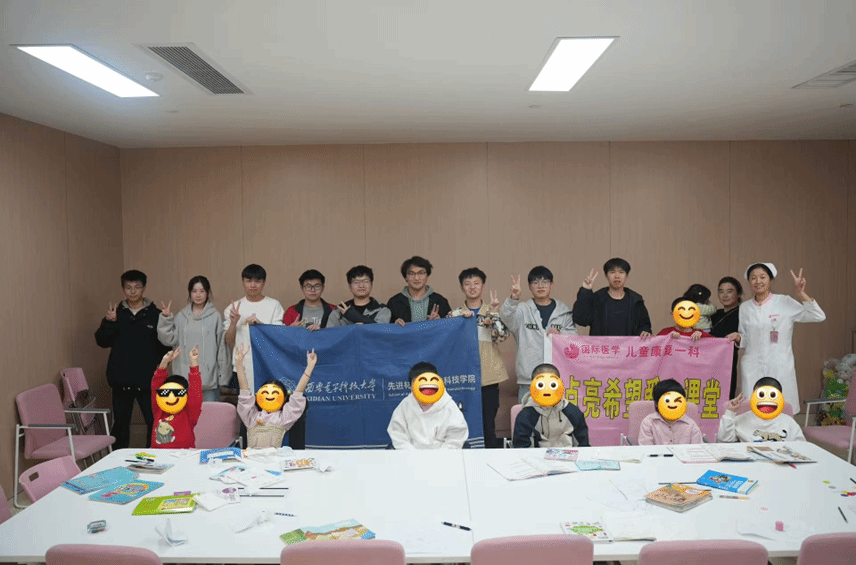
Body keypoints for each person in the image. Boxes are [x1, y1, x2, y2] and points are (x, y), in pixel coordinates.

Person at [729, 264, 825, 412]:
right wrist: (738, 337)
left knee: (780, 407)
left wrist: (801, 293)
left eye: (762, 277)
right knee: (753, 409)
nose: (758, 281)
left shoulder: (784, 302)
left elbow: (818, 316)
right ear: (749, 282)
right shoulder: (745, 307)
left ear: (771, 280)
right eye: (753, 278)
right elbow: (746, 339)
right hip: (752, 366)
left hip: (779, 364)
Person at [95, 269, 169, 449]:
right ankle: (118, 462)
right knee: (120, 428)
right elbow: (102, 341)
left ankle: (154, 459)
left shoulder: (156, 314)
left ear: (144, 288)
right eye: (128, 288)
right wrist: (109, 322)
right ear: (123, 290)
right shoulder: (116, 314)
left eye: (137, 287)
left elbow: (166, 347)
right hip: (121, 381)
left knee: (155, 425)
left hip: (148, 381)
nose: (133, 291)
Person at [448, 267, 509, 448]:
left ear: (483, 287)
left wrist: (494, 314)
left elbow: (502, 337)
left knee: (487, 425)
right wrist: (461, 322)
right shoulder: (454, 314)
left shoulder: (491, 311)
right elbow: (447, 344)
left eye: (476, 283)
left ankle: (489, 461)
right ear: (462, 288)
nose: (472, 287)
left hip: (488, 378)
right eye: (467, 284)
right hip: (463, 378)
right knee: (461, 423)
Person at [500, 266, 577, 402]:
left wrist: (561, 334)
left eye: (545, 282)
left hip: (557, 379)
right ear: (530, 287)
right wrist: (513, 299)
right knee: (527, 415)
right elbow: (506, 317)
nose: (540, 286)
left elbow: (574, 338)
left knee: (556, 415)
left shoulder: (563, 311)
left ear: (552, 285)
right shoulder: (522, 310)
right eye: (535, 282)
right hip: (528, 380)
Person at [157, 275, 230, 402]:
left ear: (207, 293)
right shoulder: (181, 317)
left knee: (210, 413)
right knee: (185, 414)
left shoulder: (215, 317)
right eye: (194, 291)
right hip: (183, 378)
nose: (198, 295)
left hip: (208, 380)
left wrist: (223, 377)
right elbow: (168, 340)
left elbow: (222, 348)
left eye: (202, 291)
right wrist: (166, 319)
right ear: (190, 293)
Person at [234, 344, 315, 448]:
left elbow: (297, 395)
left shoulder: (284, 419)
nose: (270, 396)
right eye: (265, 393)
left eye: (275, 394)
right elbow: (244, 394)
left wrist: (310, 367)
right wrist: (239, 364)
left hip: (276, 458)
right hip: (252, 458)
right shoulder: (251, 417)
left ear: (284, 398)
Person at [387, 362, 469, 449]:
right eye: (417, 383)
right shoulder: (405, 405)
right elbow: (398, 434)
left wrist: (441, 456)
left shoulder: (449, 405)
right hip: (411, 454)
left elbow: (456, 438)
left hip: (444, 455)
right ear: (411, 386)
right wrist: (411, 454)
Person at [512, 364, 589, 448]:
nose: (547, 389)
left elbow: (583, 445)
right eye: (541, 385)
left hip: (568, 455)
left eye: (552, 385)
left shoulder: (573, 412)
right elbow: (521, 448)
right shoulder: (525, 416)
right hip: (536, 456)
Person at [572, 258, 652, 337]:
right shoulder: (597, 298)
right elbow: (580, 319)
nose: (617, 276)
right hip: (601, 345)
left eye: (621, 272)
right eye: (612, 272)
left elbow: (644, 325)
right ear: (606, 275)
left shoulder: (635, 300)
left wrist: (645, 331)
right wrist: (585, 290)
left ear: (626, 276)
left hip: (628, 345)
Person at [716, 377, 806, 442]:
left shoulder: (789, 422)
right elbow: (724, 438)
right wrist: (730, 412)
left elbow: (801, 446)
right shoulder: (741, 419)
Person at [150, 346, 202, 449]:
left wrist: (194, 363)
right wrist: (164, 362)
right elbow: (156, 384)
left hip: (185, 455)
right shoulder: (159, 409)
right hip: (158, 455)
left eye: (178, 393)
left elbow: (195, 393)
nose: (171, 396)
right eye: (167, 392)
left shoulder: (189, 413)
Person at [387, 256, 451, 325]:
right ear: (405, 277)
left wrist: (440, 322)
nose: (416, 278)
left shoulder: (440, 301)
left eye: (421, 273)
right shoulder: (394, 303)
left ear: (427, 276)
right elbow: (385, 328)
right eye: (411, 274)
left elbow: (450, 327)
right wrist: (394, 326)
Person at [638, 379, 704, 445]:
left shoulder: (691, 425)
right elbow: (645, 449)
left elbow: (699, 449)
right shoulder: (649, 423)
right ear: (656, 403)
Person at [709, 276, 743, 399]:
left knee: (725, 397)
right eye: (721, 291)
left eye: (729, 291)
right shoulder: (714, 315)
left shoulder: (743, 314)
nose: (725, 295)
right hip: (708, 362)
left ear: (738, 294)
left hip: (727, 364)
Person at [327, 265, 391, 326]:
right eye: (356, 282)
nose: (361, 286)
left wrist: (355, 317)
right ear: (350, 287)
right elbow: (331, 333)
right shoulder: (338, 312)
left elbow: (380, 331)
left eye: (365, 281)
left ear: (371, 285)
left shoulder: (382, 310)